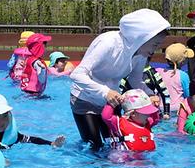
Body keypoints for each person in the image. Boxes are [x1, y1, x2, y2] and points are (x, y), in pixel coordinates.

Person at [70, 9, 170, 150]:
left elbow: (135, 80)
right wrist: (105, 92)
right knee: (93, 146)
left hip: (111, 100)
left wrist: (150, 94)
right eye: (154, 45)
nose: (156, 50)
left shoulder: (140, 53)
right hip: (85, 98)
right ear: (142, 37)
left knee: (115, 144)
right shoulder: (108, 43)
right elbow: (77, 74)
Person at [0, 92, 64, 154]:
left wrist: (51, 143)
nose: (2, 121)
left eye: (5, 115)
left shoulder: (10, 133)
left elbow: (31, 139)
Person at [155, 43, 193, 114]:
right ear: (183, 61)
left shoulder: (158, 71)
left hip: (160, 107)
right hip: (177, 109)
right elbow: (188, 95)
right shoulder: (183, 75)